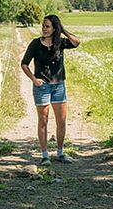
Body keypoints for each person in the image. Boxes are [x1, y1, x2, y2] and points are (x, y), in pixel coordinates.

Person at [20, 14, 80, 166]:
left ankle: (60, 153)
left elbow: (76, 42)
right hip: (42, 87)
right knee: (43, 121)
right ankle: (45, 155)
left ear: (54, 28)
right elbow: (24, 64)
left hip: (59, 86)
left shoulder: (60, 43)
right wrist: (34, 79)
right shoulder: (35, 44)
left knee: (61, 121)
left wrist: (63, 30)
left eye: (47, 26)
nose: (44, 29)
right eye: (43, 26)